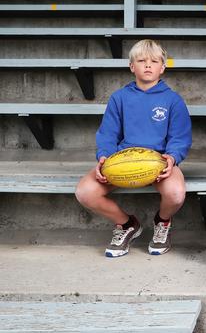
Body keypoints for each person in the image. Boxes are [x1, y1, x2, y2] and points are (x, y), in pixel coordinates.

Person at [75, 39, 191, 258]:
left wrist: (172, 158)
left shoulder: (173, 100)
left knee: (175, 194)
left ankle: (162, 221)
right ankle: (127, 224)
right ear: (132, 66)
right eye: (141, 60)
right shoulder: (119, 98)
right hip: (122, 161)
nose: (148, 65)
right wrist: (104, 158)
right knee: (85, 192)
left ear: (162, 67)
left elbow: (180, 137)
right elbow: (108, 134)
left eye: (154, 61)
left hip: (159, 162)